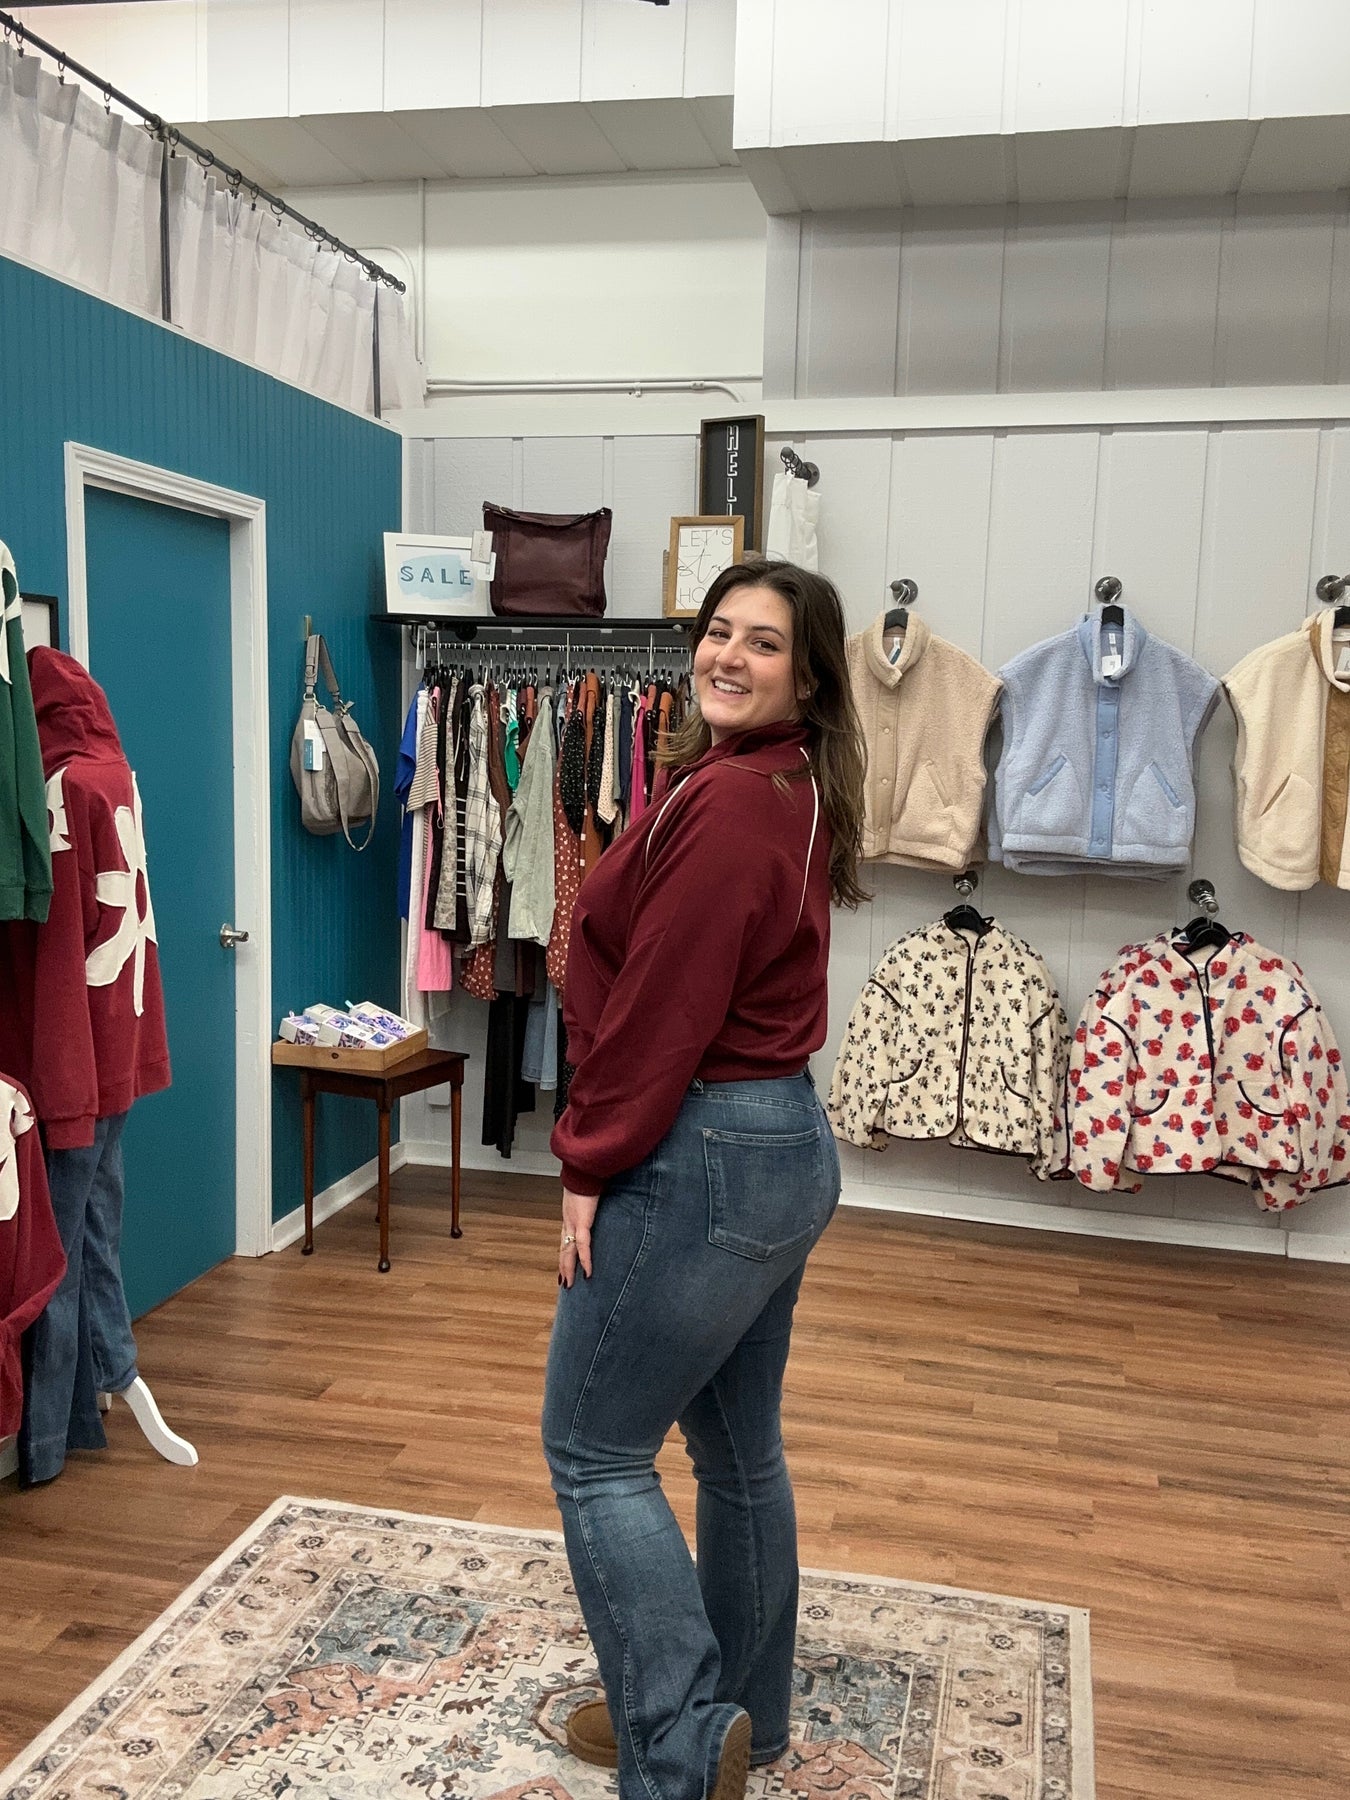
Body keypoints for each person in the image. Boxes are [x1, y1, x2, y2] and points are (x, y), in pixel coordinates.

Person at [541, 558, 868, 1800]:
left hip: (706, 1147)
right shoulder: (777, 781)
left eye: (764, 643)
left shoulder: (732, 805)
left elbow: (663, 1008)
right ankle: (745, 1721)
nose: (728, 656)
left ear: (810, 676)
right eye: (718, 631)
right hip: (774, 1142)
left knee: (593, 1448)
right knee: (737, 1454)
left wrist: (587, 1161)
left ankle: (679, 1741)